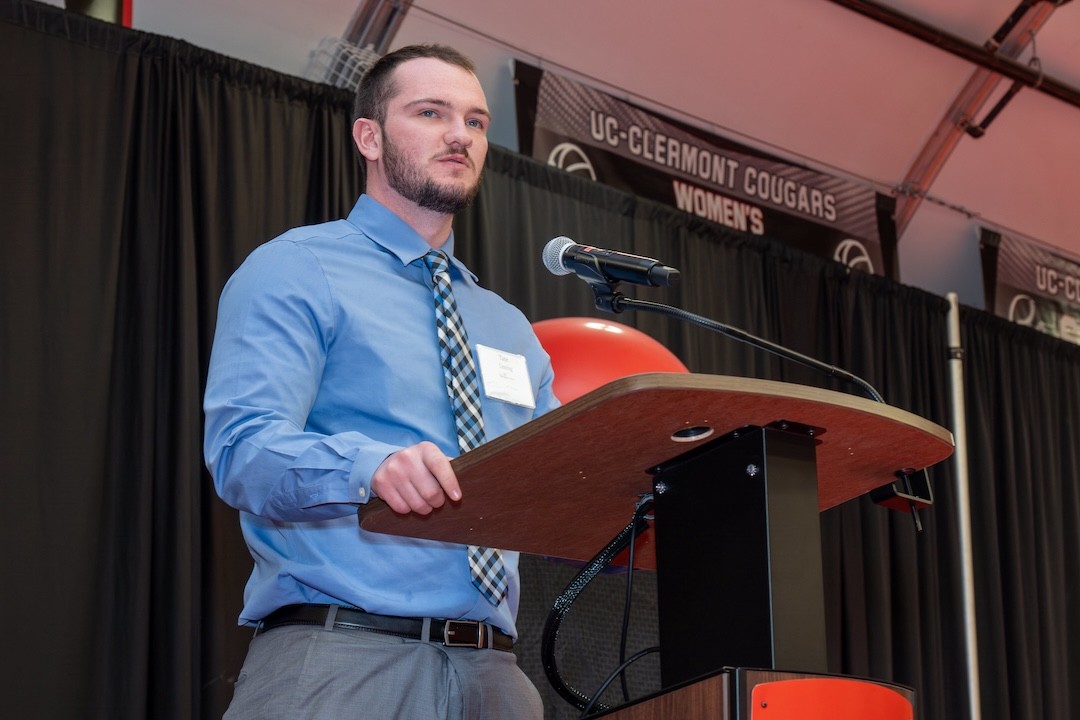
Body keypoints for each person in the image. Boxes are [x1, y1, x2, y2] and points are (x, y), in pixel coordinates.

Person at [203, 44, 559, 719]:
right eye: (431, 112)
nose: (460, 135)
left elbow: (561, 474)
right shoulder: (296, 270)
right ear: (368, 135)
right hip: (342, 660)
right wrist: (369, 466)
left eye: (477, 122)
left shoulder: (509, 326)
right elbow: (241, 453)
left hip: (498, 676)